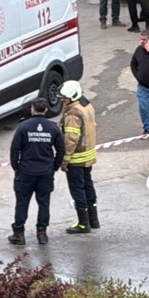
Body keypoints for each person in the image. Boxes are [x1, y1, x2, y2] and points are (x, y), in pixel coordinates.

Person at [8, 98, 65, 246]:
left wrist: (16, 167)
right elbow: (61, 150)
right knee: (44, 203)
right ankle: (42, 233)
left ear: (32, 109)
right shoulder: (53, 128)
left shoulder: (23, 127)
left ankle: (19, 234)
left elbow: (15, 150)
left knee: (22, 203)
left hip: (26, 172)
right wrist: (54, 166)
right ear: (46, 110)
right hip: (45, 172)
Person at [58, 80, 99, 234]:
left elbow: (71, 139)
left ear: (72, 96)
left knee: (77, 189)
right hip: (88, 155)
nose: (62, 100)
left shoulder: (73, 113)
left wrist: (65, 160)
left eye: (64, 97)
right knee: (88, 185)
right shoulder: (86, 106)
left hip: (76, 157)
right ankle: (93, 220)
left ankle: (83, 223)